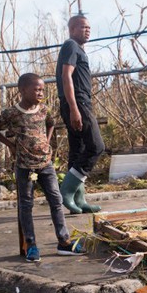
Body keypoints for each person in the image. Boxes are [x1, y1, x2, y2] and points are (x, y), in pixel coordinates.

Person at [0, 73, 84, 262]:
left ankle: (64, 241)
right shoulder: (12, 113)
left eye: (42, 89)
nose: (41, 92)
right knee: (26, 205)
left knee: (56, 200)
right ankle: (30, 245)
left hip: (46, 164)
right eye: (36, 89)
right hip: (25, 167)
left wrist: (47, 143)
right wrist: (11, 145)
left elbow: (51, 125)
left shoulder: (44, 110)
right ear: (22, 90)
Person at [55, 14, 103, 214]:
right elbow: (66, 76)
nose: (87, 30)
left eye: (89, 27)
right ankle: (66, 191)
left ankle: (79, 199)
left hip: (78, 103)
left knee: (78, 150)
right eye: (83, 27)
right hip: (78, 103)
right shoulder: (71, 45)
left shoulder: (78, 49)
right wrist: (75, 108)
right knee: (96, 146)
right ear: (72, 29)